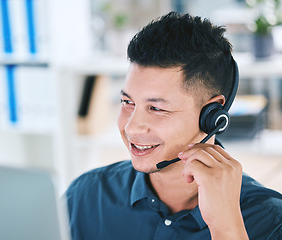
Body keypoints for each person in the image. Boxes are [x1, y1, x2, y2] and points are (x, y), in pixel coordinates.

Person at [66, 11, 282, 239]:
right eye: (127, 102)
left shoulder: (271, 223)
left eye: (157, 108)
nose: (131, 127)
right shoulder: (86, 196)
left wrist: (226, 228)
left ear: (212, 115)